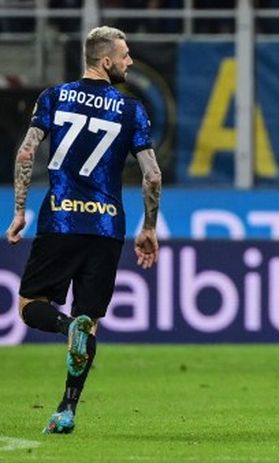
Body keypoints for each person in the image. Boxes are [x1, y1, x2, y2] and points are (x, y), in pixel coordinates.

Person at [4, 25, 162, 435]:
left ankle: (61, 328)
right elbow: (153, 177)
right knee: (89, 321)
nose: (129, 61)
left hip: (61, 219)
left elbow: (26, 151)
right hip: (107, 226)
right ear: (106, 61)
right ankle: (66, 409)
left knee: (29, 305)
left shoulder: (53, 97)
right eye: (125, 56)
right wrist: (148, 227)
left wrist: (20, 211)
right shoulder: (132, 109)